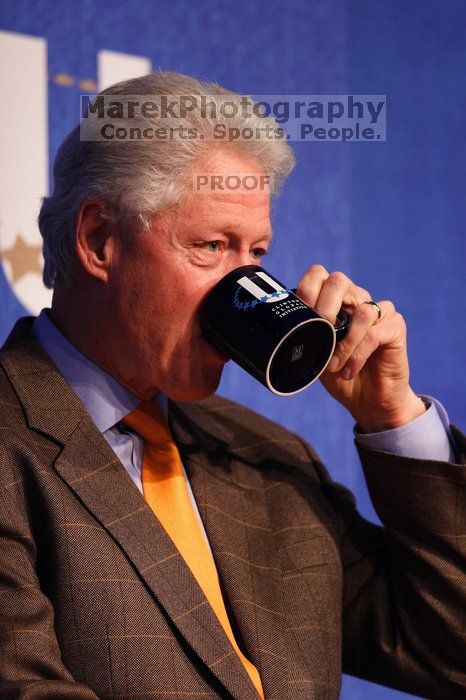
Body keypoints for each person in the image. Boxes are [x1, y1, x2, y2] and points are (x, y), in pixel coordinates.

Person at [0, 72, 464, 700]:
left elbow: (450, 652)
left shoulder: (267, 456)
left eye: (257, 255)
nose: (247, 291)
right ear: (98, 240)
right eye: (211, 246)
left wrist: (396, 421)